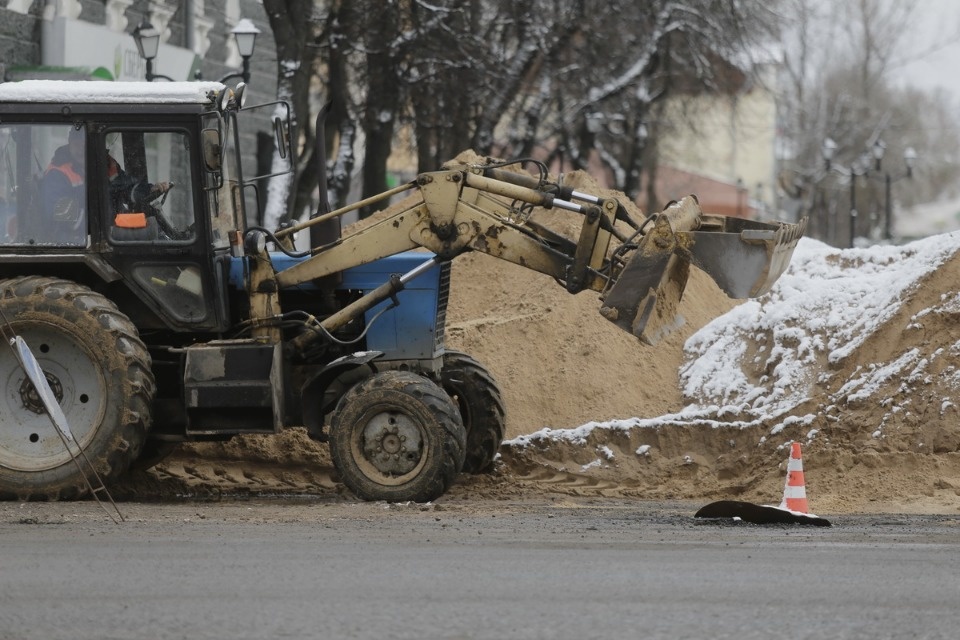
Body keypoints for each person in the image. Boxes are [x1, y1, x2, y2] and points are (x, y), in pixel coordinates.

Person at [107, 153, 171, 213]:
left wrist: (149, 190)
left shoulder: (106, 163)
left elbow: (126, 188)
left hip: (113, 221)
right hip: (104, 222)